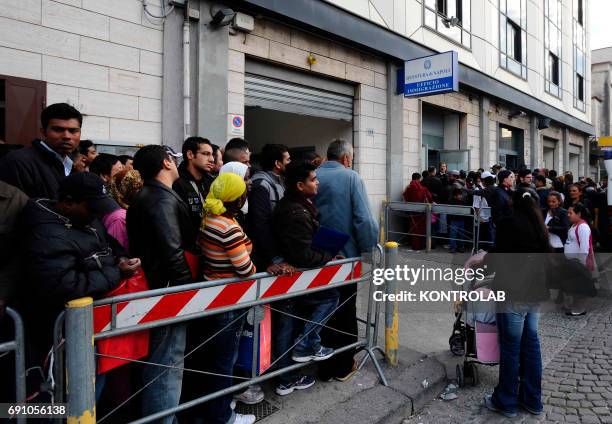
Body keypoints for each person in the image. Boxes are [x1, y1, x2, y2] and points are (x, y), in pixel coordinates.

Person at [17, 172, 140, 401]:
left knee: (92, 390)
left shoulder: (87, 220)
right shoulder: (45, 233)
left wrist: (122, 258)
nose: (97, 215)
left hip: (91, 326)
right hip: (60, 334)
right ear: (68, 202)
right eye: (92, 208)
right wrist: (116, 272)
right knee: (67, 398)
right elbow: (65, 285)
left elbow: (111, 248)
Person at [127, 145, 196, 423]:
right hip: (168, 290)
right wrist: (186, 291)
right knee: (167, 363)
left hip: (160, 287)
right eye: (175, 160)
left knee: (164, 360)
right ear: (167, 163)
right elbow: (172, 251)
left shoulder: (154, 196)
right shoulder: (160, 199)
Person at [478, 188, 551, 418]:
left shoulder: (509, 223)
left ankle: (506, 400)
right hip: (535, 294)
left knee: (510, 348)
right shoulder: (540, 226)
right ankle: (532, 400)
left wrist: (482, 267)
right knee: (531, 345)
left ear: (514, 203)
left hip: (513, 294)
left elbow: (498, 257)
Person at [314, 139, 378, 382]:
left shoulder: (314, 175)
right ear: (347, 158)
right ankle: (342, 366)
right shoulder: (351, 177)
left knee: (321, 311)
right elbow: (364, 220)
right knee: (344, 311)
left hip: (316, 258)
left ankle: (323, 365)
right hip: (345, 259)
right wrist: (369, 250)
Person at [198, 173, 257, 424]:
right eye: (244, 191)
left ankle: (220, 406)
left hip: (213, 294)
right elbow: (246, 270)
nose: (247, 194)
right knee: (224, 361)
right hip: (230, 303)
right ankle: (223, 417)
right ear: (236, 197)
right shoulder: (229, 227)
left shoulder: (209, 219)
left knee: (216, 360)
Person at [273, 160, 338, 363]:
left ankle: (291, 372)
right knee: (330, 298)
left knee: (288, 324)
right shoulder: (296, 212)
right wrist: (328, 254)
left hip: (295, 276)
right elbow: (304, 256)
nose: (317, 183)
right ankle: (304, 345)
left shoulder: (298, 206)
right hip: (293, 277)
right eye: (313, 179)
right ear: (300, 185)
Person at [0, 103, 82, 198]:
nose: (67, 136)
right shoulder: (18, 163)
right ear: (43, 132)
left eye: (73, 131)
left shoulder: (74, 164)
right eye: (58, 130)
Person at [172, 137, 216, 233]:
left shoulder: (212, 182)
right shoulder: (176, 182)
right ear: (190, 154)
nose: (212, 159)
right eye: (205, 154)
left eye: (212, 155)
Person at [562, 203, 595, 316]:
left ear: (579, 214)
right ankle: (575, 306)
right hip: (573, 263)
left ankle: (579, 309)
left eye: (571, 213)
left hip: (579, 263)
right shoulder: (574, 225)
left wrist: (581, 265)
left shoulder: (583, 227)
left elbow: (584, 248)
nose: (568, 215)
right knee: (575, 287)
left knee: (580, 288)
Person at [402, 172, 433, 250]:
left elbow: (405, 198)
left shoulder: (408, 188)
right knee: (422, 229)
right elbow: (430, 198)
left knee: (414, 228)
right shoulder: (423, 188)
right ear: (419, 179)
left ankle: (415, 246)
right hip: (422, 212)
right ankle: (421, 246)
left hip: (411, 212)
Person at [472, 171, 495, 249]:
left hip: (491, 217)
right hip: (482, 218)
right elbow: (476, 205)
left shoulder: (493, 187)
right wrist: (479, 218)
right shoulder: (478, 189)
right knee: (481, 237)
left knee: (490, 236)